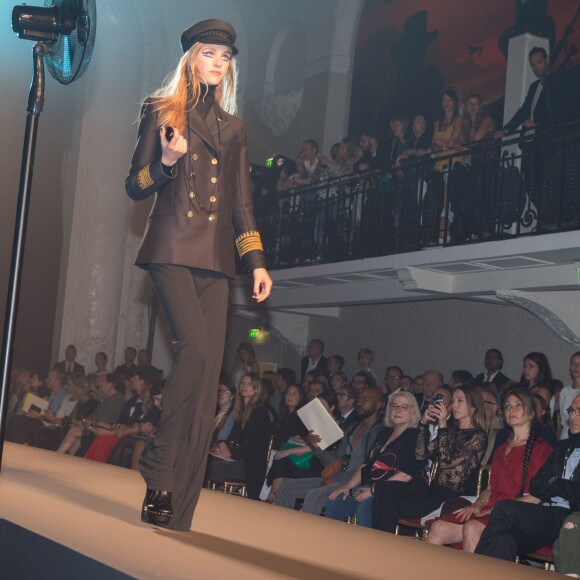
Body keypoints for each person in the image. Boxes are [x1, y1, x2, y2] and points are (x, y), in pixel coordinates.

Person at [125, 19, 272, 530]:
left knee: (210, 376)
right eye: (209, 53)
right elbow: (135, 184)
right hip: (170, 246)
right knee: (197, 350)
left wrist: (256, 261)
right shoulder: (161, 111)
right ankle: (158, 466)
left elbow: (243, 206)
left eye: (225, 56)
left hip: (215, 258)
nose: (218, 62)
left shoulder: (234, 128)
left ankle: (178, 501)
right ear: (190, 58)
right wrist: (166, 161)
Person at [426, 387, 552, 552]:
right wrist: (477, 504)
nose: (511, 409)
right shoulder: (502, 448)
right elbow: (490, 489)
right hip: (490, 509)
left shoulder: (541, 449)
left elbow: (536, 497)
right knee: (438, 527)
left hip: (515, 514)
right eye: (507, 406)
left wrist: (499, 509)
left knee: (471, 528)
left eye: (518, 405)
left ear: (531, 413)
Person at [475, 394, 580, 562]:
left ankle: (471, 570)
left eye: (578, 411)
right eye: (571, 410)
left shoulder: (546, 446)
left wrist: (555, 483)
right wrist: (561, 486)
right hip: (544, 513)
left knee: (504, 508)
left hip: (570, 517)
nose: (571, 416)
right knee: (503, 541)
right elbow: (537, 485)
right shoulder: (563, 447)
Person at [372, 384, 488, 534]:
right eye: (453, 401)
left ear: (473, 406)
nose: (454, 406)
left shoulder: (478, 436)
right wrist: (423, 424)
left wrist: (442, 426)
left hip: (449, 494)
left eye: (460, 401)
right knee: (385, 488)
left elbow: (446, 462)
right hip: (431, 489)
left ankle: (382, 543)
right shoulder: (450, 431)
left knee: (388, 502)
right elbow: (421, 454)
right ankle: (377, 541)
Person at [325, 391, 424, 527]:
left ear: (412, 411)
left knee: (365, 507)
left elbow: (406, 474)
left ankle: (368, 547)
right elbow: (366, 465)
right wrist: (348, 486)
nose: (397, 410)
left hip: (389, 493)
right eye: (394, 406)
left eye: (403, 407)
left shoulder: (415, 437)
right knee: (337, 500)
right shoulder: (384, 433)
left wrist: (374, 490)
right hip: (368, 487)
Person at [205, 373, 274, 500]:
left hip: (249, 466)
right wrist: (223, 447)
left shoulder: (260, 413)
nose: (244, 386)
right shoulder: (241, 412)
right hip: (237, 459)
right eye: (242, 383)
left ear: (256, 388)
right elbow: (232, 439)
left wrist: (231, 453)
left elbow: (255, 448)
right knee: (204, 461)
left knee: (207, 469)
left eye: (249, 384)